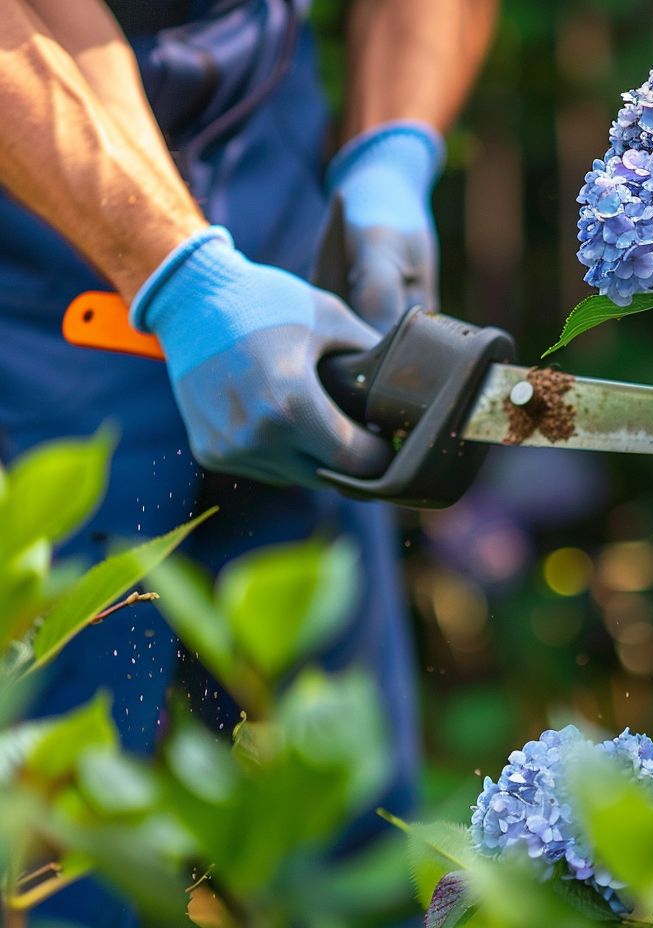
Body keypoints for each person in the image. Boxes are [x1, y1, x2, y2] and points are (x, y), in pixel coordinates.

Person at [0, 0, 497, 923]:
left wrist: (391, 155)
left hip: (273, 191)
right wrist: (180, 276)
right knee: (58, 838)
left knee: (344, 805)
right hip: (26, 248)